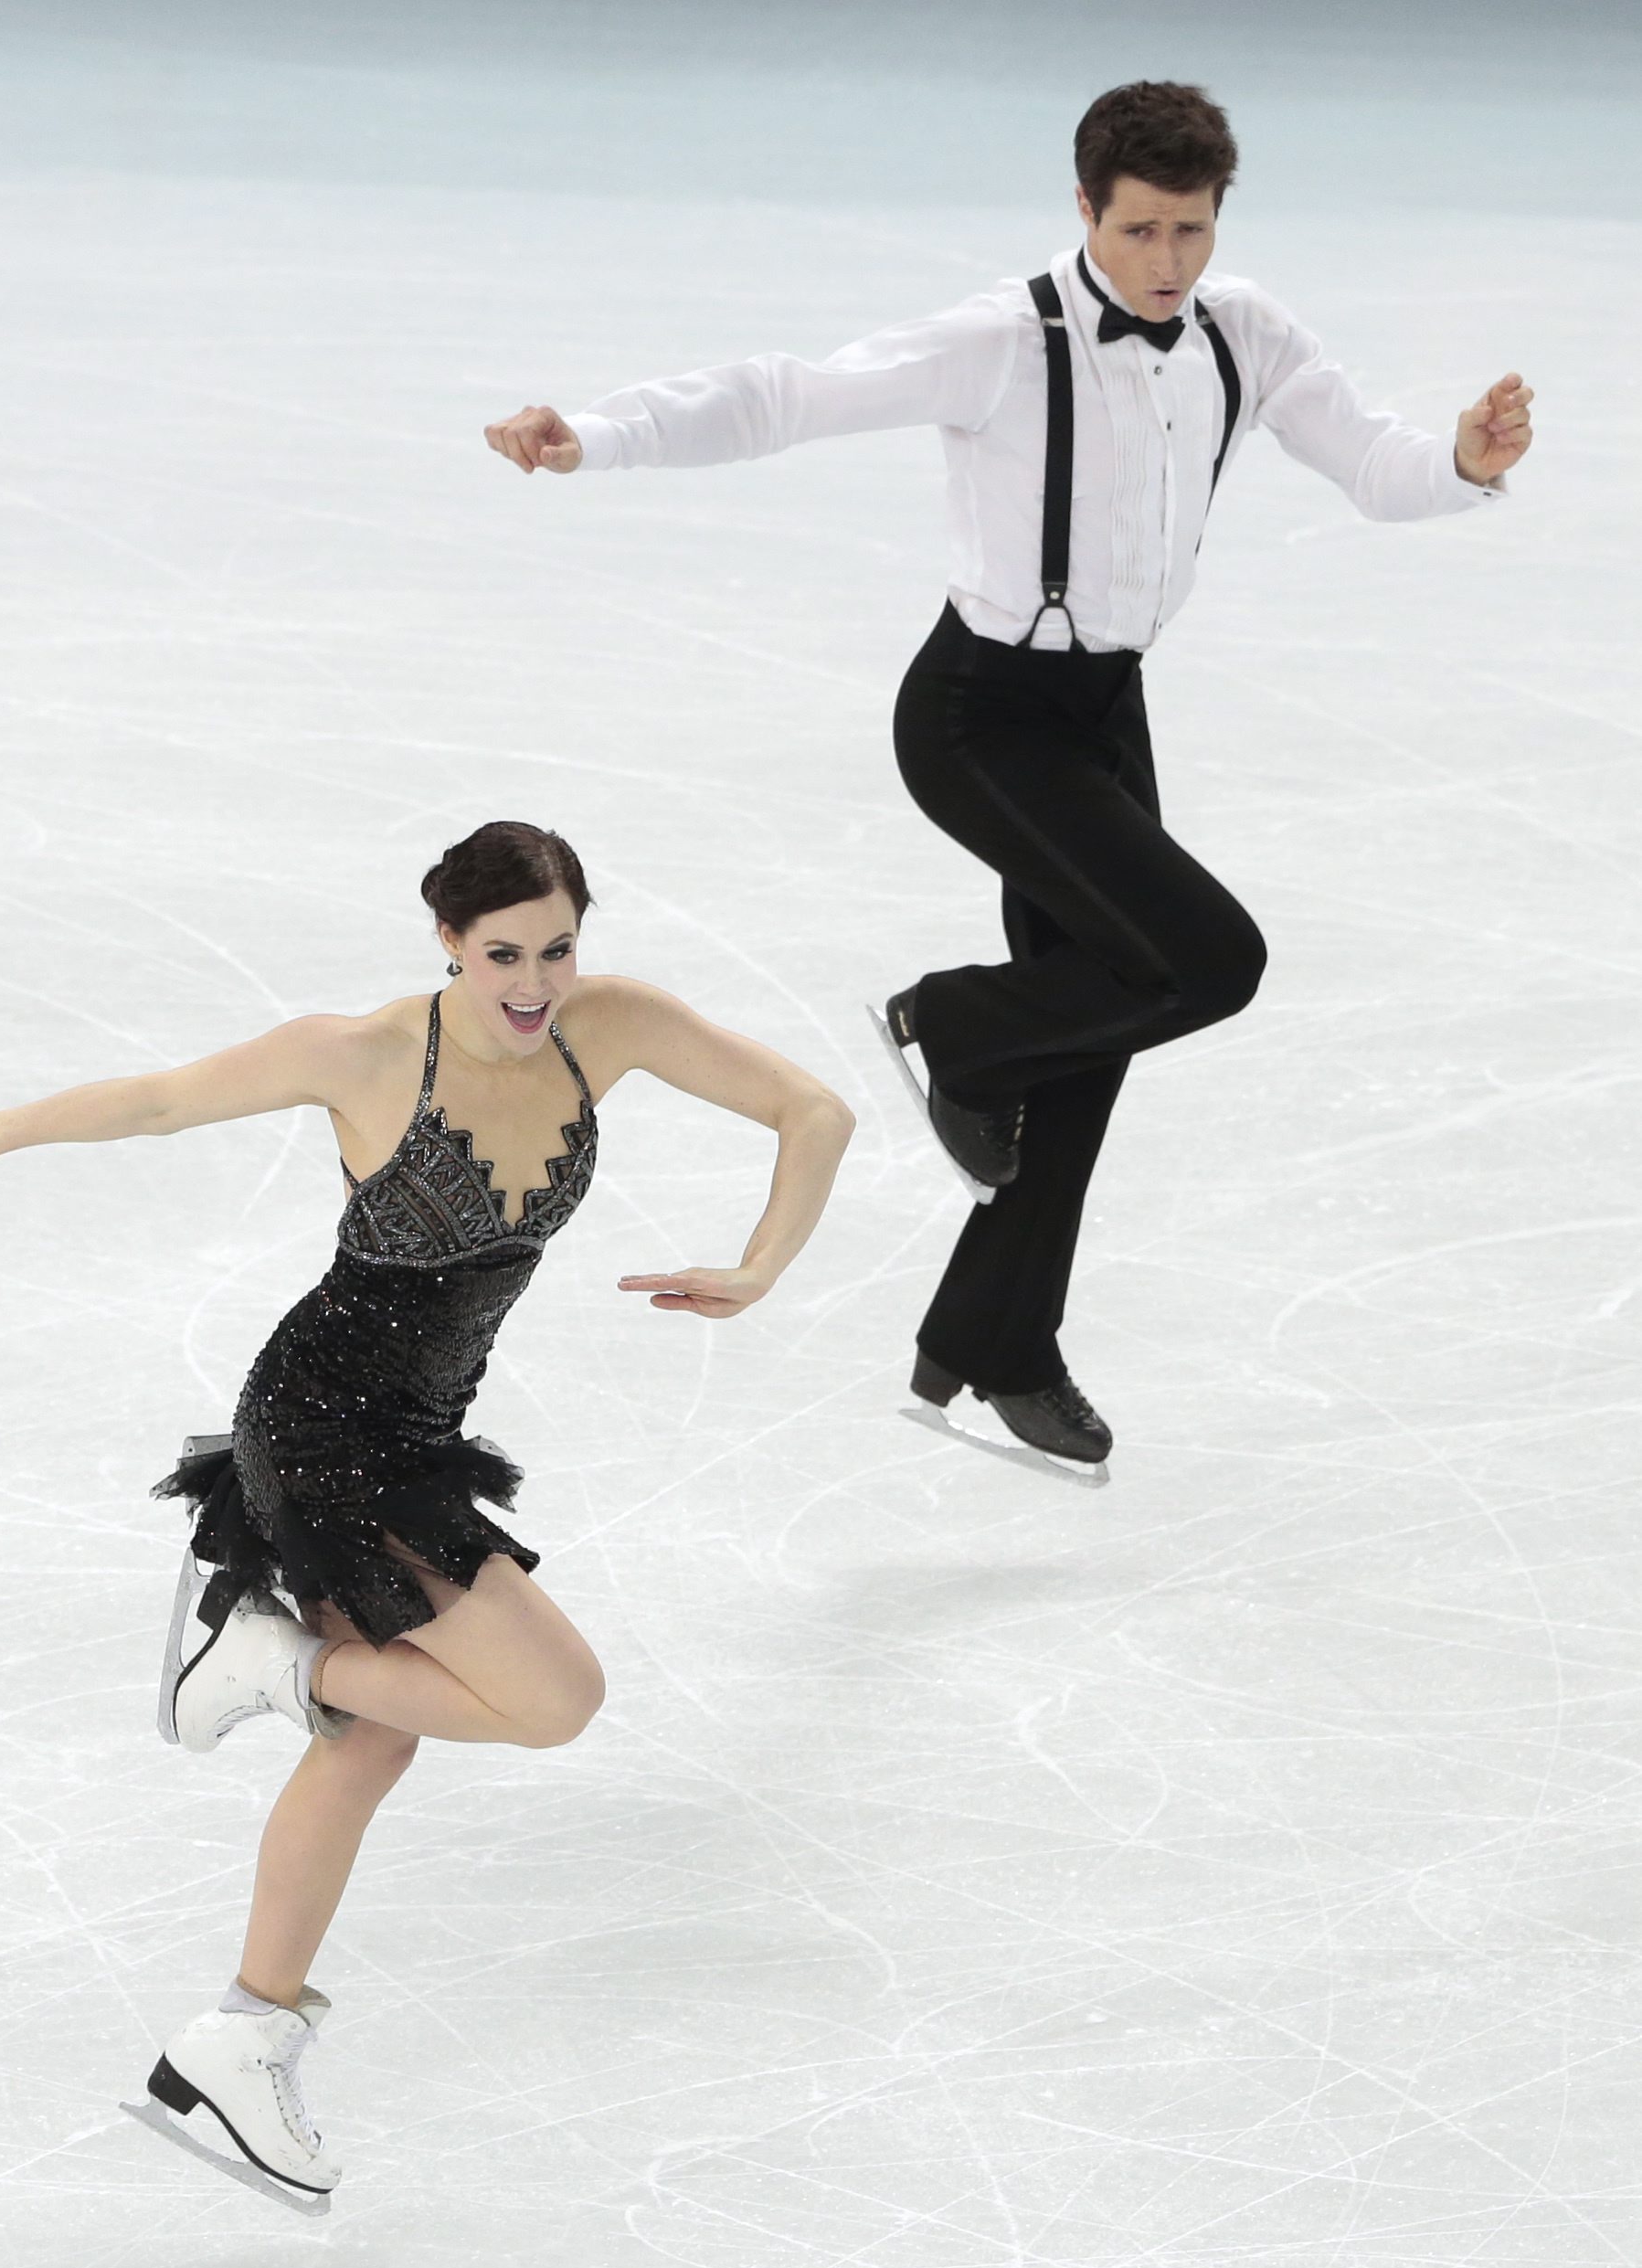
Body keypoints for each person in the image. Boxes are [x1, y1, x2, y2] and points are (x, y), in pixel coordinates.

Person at [482, 79, 1533, 1466]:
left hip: (1104, 712)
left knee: (1094, 1044)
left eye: (1193, 232)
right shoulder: (1001, 339)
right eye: (1142, 231)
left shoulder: (1244, 332)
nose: (1168, 265)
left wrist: (1459, 462)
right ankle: (951, 1029)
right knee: (1209, 959)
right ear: (1085, 209)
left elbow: (1372, 464)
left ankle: (985, 1348)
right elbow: (790, 395)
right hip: (981, 718)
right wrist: (600, 436)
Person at [0, 820, 853, 2204]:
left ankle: (236, 2038)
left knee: (370, 1747)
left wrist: (761, 1269)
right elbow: (161, 1101)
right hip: (324, 1431)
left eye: (558, 949)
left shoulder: (609, 1027)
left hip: (425, 1432)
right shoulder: (366, 1054)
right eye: (504, 953)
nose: (534, 983)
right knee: (554, 1697)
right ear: (449, 944)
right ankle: (275, 1664)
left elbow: (814, 1111)